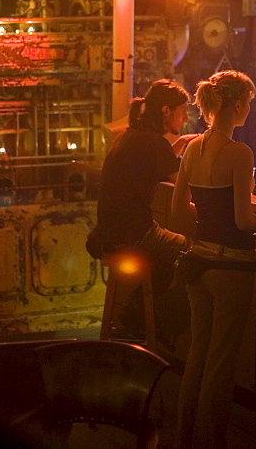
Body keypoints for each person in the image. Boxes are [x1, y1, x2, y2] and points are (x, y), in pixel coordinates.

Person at [171, 70, 256, 449]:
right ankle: (211, 442)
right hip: (232, 266)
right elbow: (244, 219)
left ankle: (184, 438)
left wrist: (205, 227)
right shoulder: (239, 152)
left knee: (197, 356)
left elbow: (178, 209)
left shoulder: (192, 148)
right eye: (249, 101)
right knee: (220, 363)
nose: (250, 108)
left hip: (198, 262)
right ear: (237, 104)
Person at [86, 79, 194, 332]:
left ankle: (138, 314)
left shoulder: (131, 135)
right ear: (166, 111)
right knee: (190, 255)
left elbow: (157, 161)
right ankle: (151, 321)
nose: (186, 118)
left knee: (167, 260)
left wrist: (179, 147)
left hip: (107, 231)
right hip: (136, 233)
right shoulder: (153, 143)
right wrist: (197, 154)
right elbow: (181, 184)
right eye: (182, 111)